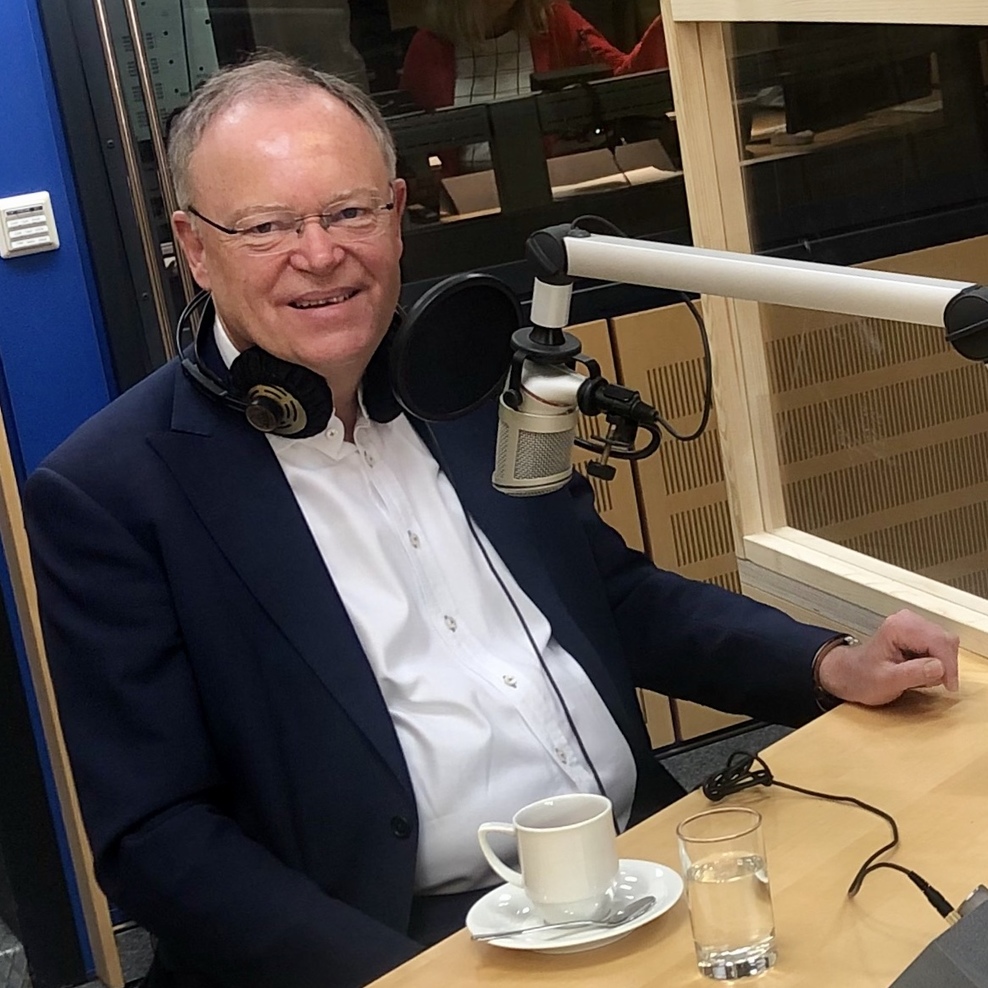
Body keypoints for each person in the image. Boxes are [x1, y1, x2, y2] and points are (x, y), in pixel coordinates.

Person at [23, 54, 959, 988]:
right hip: (398, 944)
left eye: (350, 212)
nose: (319, 253)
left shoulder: (469, 385)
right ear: (194, 245)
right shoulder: (111, 493)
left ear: (396, 212)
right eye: (267, 226)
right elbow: (158, 838)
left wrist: (827, 662)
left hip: (641, 873)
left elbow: (615, 598)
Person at [401, 0, 669, 171]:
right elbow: (412, 154)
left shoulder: (553, 20)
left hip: (557, 188)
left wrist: (668, 25)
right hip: (465, 204)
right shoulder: (428, 48)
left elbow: (626, 82)